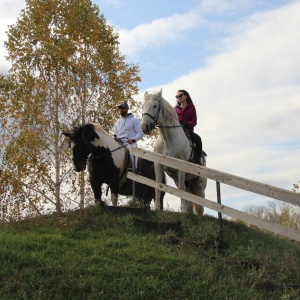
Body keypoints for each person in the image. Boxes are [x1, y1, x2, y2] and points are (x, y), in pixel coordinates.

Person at [174, 89, 203, 164]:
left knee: (198, 139)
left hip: (188, 131)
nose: (178, 98)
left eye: (180, 96)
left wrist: (187, 124)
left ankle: (197, 160)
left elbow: (194, 121)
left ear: (186, 96)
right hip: (177, 131)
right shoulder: (175, 109)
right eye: (177, 96)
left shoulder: (192, 107)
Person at [114, 102, 144, 170]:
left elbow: (140, 133)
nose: (121, 110)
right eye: (120, 108)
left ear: (127, 109)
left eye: (123, 108)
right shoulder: (117, 122)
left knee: (132, 151)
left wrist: (133, 140)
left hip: (129, 142)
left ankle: (133, 168)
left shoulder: (135, 120)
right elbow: (115, 134)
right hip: (118, 142)